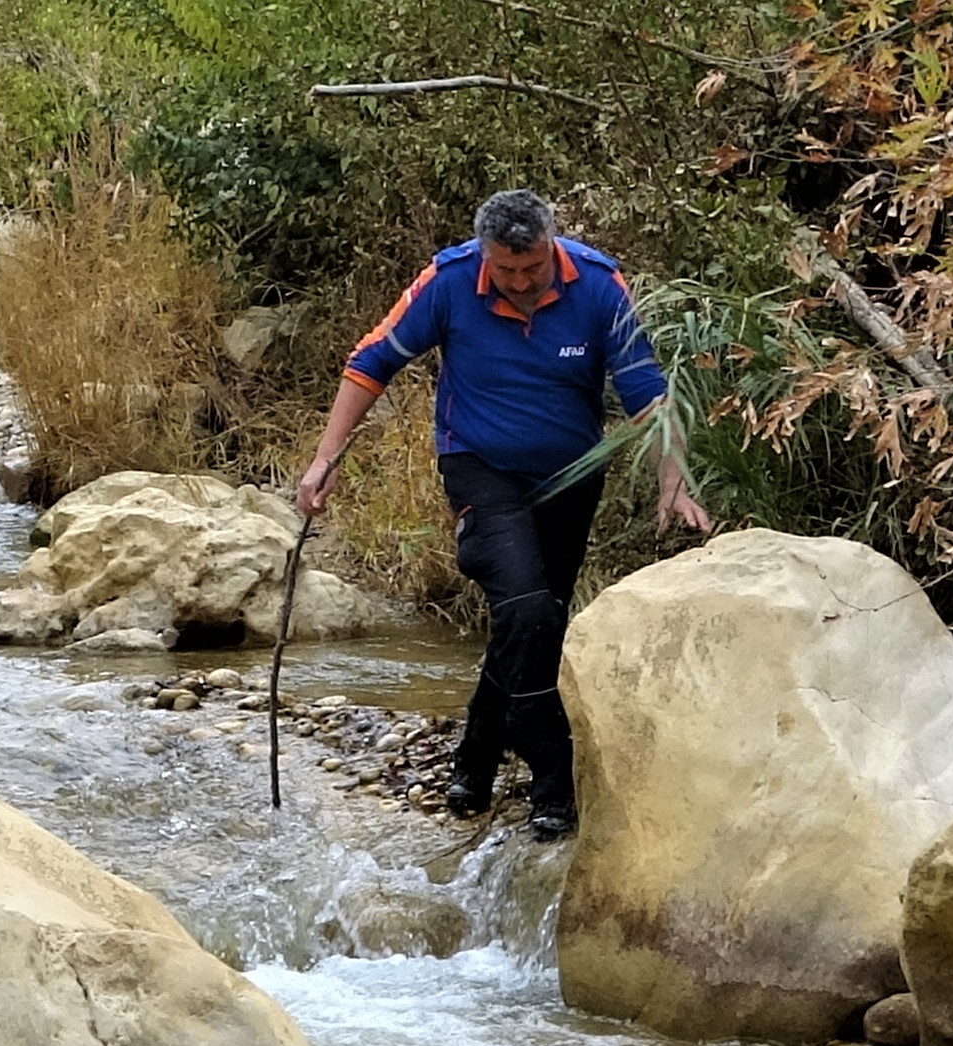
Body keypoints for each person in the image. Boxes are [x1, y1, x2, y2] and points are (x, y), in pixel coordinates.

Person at [297, 189, 711, 839]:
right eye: (506, 269)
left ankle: (476, 759)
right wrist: (326, 459)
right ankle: (552, 780)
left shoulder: (598, 285)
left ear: (552, 246)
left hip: (572, 478)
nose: (519, 282)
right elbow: (372, 361)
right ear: (485, 254)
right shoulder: (450, 280)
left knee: (536, 622)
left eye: (532, 268)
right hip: (479, 468)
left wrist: (674, 481)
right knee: (526, 609)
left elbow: (646, 391)